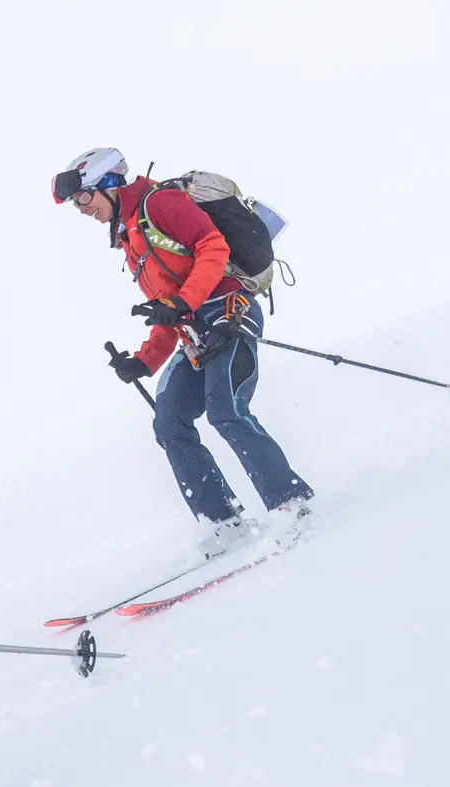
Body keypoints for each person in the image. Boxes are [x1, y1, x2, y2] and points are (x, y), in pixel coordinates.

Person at [53, 147, 314, 555]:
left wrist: (182, 304)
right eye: (75, 203)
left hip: (228, 312)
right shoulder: (132, 237)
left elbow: (213, 248)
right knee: (169, 421)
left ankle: (291, 505)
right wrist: (144, 360)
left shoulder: (161, 203)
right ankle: (225, 523)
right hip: (195, 329)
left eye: (83, 196)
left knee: (226, 410)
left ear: (110, 184)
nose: (81, 208)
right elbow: (168, 308)